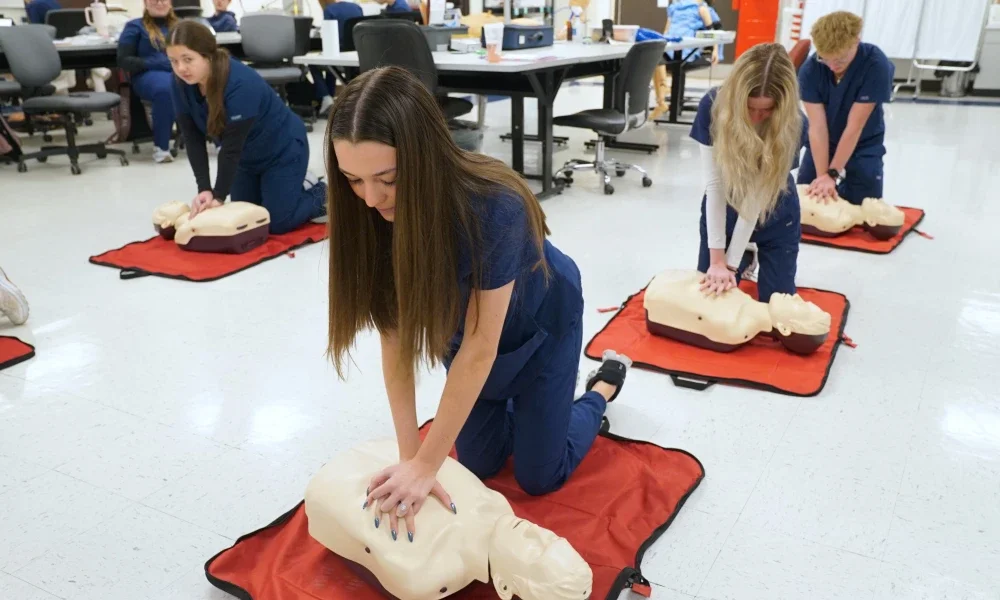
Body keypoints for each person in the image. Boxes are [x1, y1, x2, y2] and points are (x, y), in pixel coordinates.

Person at [323, 66, 633, 524]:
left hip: (540, 326)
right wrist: (413, 460)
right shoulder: (369, 215)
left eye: (388, 178)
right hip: (470, 340)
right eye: (353, 180)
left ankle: (601, 387)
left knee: (538, 476)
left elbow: (482, 344)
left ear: (423, 156)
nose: (371, 198)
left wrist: (428, 464)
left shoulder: (495, 205)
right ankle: (523, 410)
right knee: (480, 464)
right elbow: (396, 344)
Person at [166, 21, 327, 235]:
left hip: (282, 150)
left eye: (188, 59)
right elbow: (192, 138)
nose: (180, 69)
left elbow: (231, 147)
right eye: (173, 61)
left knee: (277, 222)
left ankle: (320, 191)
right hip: (246, 158)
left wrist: (219, 195)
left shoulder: (241, 83)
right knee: (250, 217)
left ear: (208, 55)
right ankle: (287, 188)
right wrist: (205, 189)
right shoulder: (180, 83)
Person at [692, 42, 805, 303]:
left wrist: (730, 266)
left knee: (778, 305)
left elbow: (756, 196)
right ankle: (743, 254)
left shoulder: (795, 123)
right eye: (749, 108)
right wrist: (718, 260)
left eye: (766, 110)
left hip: (776, 211)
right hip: (726, 207)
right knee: (709, 303)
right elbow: (715, 186)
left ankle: (746, 255)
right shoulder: (712, 106)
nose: (756, 117)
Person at [797, 11, 894, 205]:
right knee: (807, 198)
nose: (832, 66)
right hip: (824, 141)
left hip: (863, 142)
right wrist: (822, 176)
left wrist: (832, 174)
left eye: (840, 60)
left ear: (856, 41)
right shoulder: (811, 70)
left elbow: (854, 127)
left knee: (866, 204)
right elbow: (817, 127)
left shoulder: (876, 65)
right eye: (825, 59)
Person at [118, 0, 179, 163]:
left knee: (211, 84)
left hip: (180, 72)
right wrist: (154, 62)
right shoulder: (135, 26)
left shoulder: (181, 27)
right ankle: (161, 148)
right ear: (145, 3)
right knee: (166, 89)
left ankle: (221, 142)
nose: (159, 3)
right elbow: (123, 60)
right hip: (148, 75)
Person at [311, 0, 363, 115]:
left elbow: (328, 36)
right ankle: (328, 100)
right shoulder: (357, 7)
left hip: (338, 59)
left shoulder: (329, 10)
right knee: (330, 66)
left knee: (313, 63)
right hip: (356, 58)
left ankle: (326, 97)